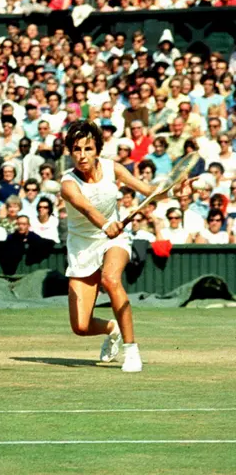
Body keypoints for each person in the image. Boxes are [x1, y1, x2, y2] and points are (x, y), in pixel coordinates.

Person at [60, 121, 164, 372]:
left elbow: (148, 190)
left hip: (114, 240)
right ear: (70, 151)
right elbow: (86, 208)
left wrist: (171, 191)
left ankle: (131, 350)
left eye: (88, 148)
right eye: (76, 149)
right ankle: (113, 328)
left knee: (110, 279)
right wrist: (106, 223)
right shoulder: (68, 184)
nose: (82, 155)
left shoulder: (112, 167)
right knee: (81, 327)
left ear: (97, 149)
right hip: (83, 247)